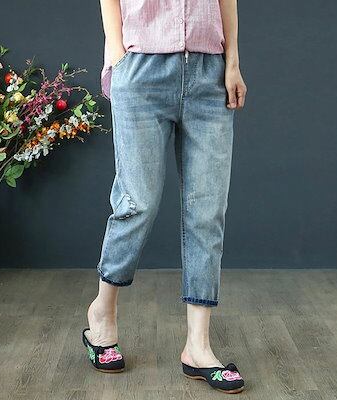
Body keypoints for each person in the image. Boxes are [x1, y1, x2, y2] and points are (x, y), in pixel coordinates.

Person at [82, 0, 247, 394]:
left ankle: (198, 348)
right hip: (143, 67)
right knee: (136, 203)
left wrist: (233, 61)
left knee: (207, 211)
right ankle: (102, 313)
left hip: (209, 70)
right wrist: (117, 52)